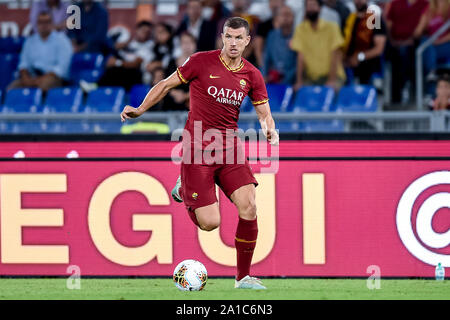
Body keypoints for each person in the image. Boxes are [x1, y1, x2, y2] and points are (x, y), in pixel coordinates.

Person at [120, 17, 279, 289]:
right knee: (210, 223)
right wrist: (140, 109)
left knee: (249, 206)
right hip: (197, 150)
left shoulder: (252, 74)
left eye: (239, 38)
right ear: (222, 37)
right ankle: (186, 188)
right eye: (228, 37)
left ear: (247, 41)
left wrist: (269, 130)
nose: (233, 43)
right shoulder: (200, 61)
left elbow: (264, 112)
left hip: (229, 149)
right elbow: (167, 85)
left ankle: (243, 278)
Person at [8, 11, 73, 92]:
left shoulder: (62, 40)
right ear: (37, 24)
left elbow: (62, 68)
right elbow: (23, 64)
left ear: (52, 23)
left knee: (44, 84)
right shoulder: (30, 41)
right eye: (41, 22)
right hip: (32, 77)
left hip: (54, 78)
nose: (44, 25)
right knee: (11, 89)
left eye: (47, 22)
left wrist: (40, 79)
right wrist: (26, 78)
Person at [82, 20, 154, 92]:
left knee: (119, 71)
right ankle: (97, 89)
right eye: (143, 30)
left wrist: (117, 62)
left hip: (137, 76)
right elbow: (118, 53)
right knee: (112, 67)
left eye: (148, 32)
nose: (145, 34)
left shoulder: (148, 47)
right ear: (137, 30)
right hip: (123, 73)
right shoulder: (130, 43)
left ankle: (95, 87)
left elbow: (135, 64)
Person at [291, 0, 346, 90]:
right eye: (308, 6)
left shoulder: (332, 27)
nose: (310, 9)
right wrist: (299, 81)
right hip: (311, 78)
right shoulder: (300, 29)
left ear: (320, 8)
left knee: (332, 94)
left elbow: (336, 54)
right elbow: (300, 57)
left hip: (334, 77)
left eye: (313, 5)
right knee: (301, 95)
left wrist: (331, 80)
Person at [385, 0, 429, 103]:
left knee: (408, 57)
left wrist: (407, 41)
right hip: (395, 44)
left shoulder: (424, 4)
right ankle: (397, 97)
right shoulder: (395, 3)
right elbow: (388, 26)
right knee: (396, 57)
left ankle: (411, 92)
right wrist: (393, 41)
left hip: (414, 45)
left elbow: (419, 30)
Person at [343, 0, 387, 84]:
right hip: (349, 65)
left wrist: (359, 57)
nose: (358, 1)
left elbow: (379, 49)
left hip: (368, 65)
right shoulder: (350, 18)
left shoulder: (375, 19)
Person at [414, 0, 450, 82]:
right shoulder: (428, 9)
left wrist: (438, 41)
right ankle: (431, 74)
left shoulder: (448, 9)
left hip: (445, 44)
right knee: (425, 43)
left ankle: (431, 72)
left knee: (427, 50)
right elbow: (418, 31)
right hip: (431, 45)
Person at [262, 5, 297, 84]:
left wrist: (285, 78)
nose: (285, 18)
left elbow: (299, 62)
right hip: (273, 78)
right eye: (282, 15)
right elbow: (266, 58)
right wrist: (264, 76)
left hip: (292, 81)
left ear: (293, 18)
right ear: (277, 18)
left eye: (288, 15)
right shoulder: (272, 35)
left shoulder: (298, 36)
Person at [254, 0, 286, 68]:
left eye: (277, 1)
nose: (274, 4)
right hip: (269, 67)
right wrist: (263, 69)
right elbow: (258, 50)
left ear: (283, 2)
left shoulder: (289, 24)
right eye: (272, 1)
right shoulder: (263, 25)